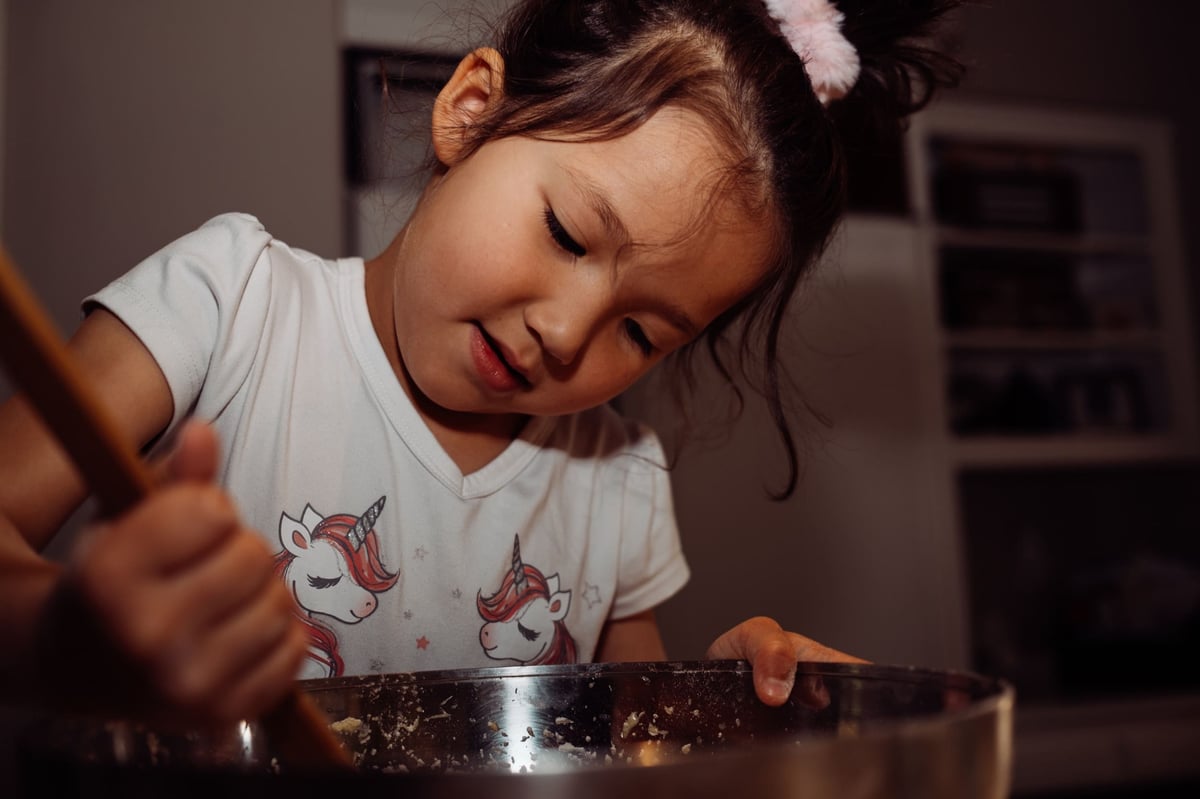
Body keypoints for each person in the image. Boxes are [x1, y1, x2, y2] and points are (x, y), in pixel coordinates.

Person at [0, 0, 961, 729]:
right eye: (567, 233)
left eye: (641, 332)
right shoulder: (231, 301)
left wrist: (725, 707)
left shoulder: (616, 483)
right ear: (470, 111)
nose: (568, 332)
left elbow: (628, 738)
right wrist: (67, 634)